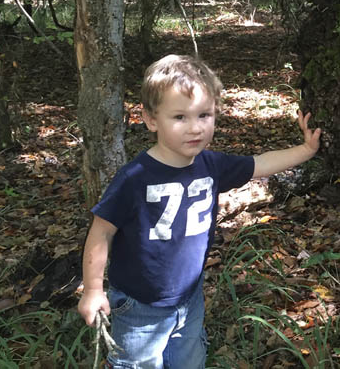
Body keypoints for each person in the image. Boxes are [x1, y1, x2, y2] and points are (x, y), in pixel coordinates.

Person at [77, 54, 321, 368]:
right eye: (179, 117)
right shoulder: (134, 178)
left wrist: (305, 150)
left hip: (189, 300)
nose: (195, 128)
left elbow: (260, 163)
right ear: (151, 120)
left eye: (204, 115)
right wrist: (93, 290)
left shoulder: (211, 165)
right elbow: (101, 231)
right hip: (139, 307)